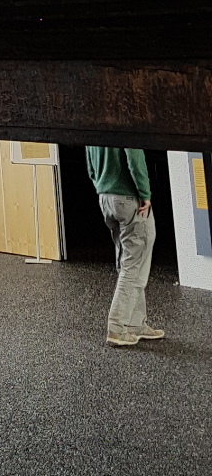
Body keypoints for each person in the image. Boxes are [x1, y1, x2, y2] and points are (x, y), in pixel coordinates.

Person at [85, 145, 164, 347]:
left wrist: (101, 186)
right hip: (129, 198)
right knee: (134, 264)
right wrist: (145, 193)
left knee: (126, 260)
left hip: (106, 198)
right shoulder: (126, 126)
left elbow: (90, 166)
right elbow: (134, 158)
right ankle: (118, 327)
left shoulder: (95, 128)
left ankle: (135, 324)